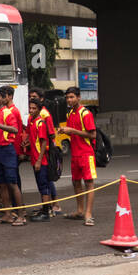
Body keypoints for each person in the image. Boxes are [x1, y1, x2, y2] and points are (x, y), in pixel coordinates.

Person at [0, 86, 26, 226]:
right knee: (1, 184)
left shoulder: (7, 113)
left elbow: (15, 130)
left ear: (4, 99)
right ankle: (8, 214)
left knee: (12, 183)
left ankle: (21, 215)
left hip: (7, 150)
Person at [60, 86, 98, 225]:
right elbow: (72, 132)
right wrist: (65, 131)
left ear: (78, 97)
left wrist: (72, 130)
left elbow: (92, 134)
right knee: (76, 182)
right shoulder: (70, 114)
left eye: (72, 97)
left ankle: (88, 214)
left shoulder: (85, 113)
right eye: (67, 98)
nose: (69, 100)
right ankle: (80, 210)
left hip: (86, 154)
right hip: (75, 154)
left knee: (89, 183)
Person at [25, 98, 57, 221]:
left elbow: (44, 142)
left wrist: (39, 160)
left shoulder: (40, 123)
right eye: (30, 108)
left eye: (34, 108)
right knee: (40, 185)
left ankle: (45, 213)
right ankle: (45, 209)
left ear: (39, 110)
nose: (31, 110)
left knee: (44, 186)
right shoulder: (33, 122)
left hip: (41, 160)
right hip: (35, 159)